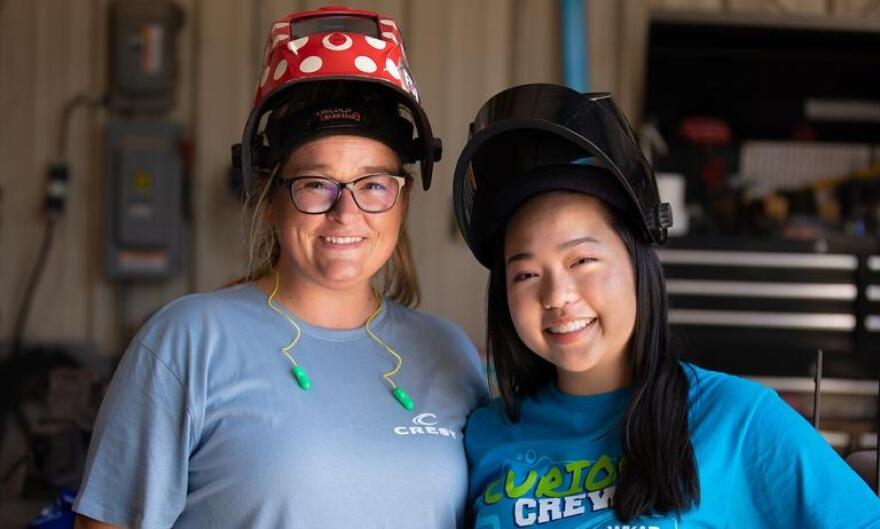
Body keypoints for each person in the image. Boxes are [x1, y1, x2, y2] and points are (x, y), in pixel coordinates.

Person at [73, 7, 486, 528]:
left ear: (402, 201)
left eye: (373, 185)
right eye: (316, 184)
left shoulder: (449, 353)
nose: (346, 212)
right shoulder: (190, 342)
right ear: (270, 199)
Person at [452, 83, 880, 528]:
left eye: (582, 260)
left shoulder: (737, 419)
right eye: (526, 274)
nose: (557, 295)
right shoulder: (485, 435)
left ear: (638, 264)